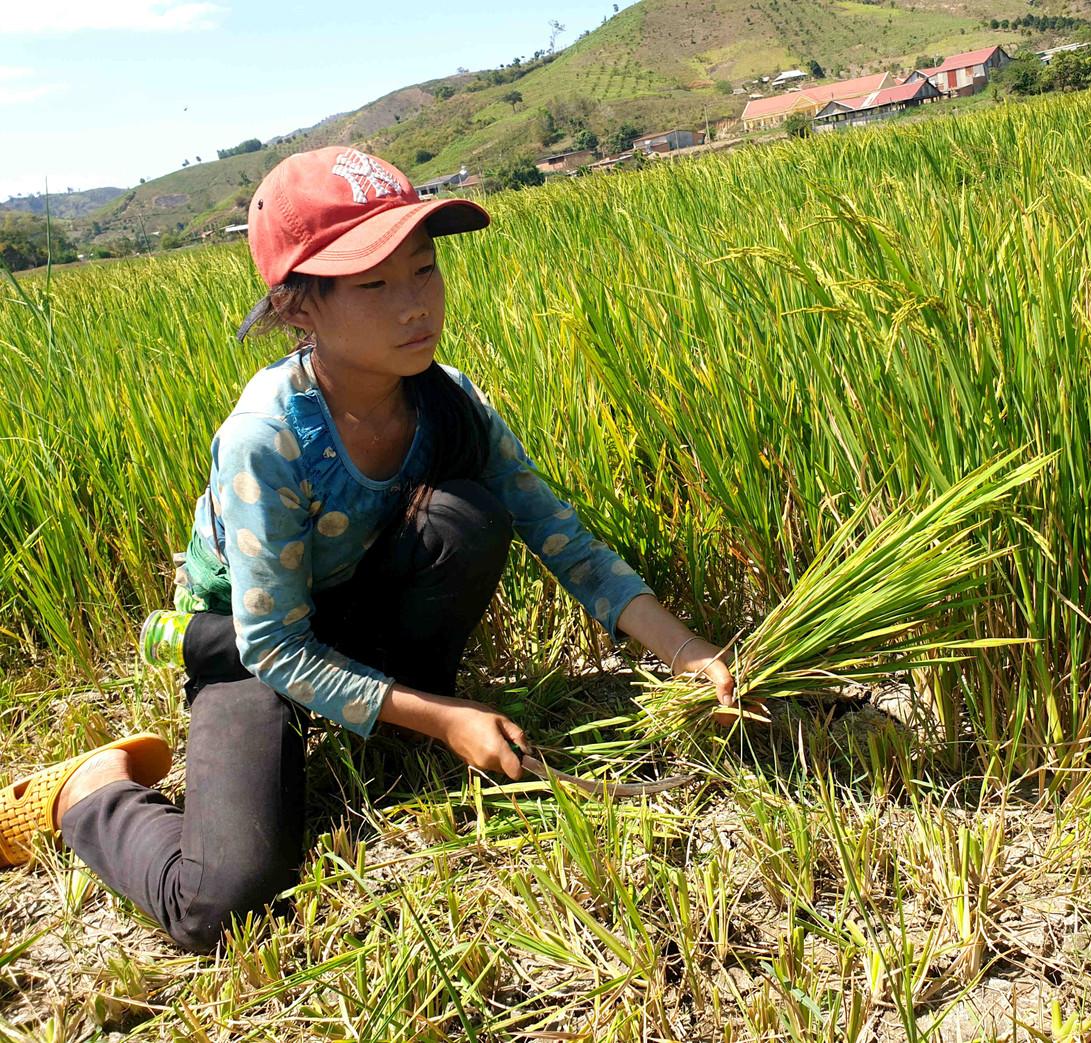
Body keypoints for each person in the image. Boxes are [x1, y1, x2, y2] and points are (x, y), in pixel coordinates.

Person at [0, 147, 736, 953]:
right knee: (224, 900)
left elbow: (561, 536)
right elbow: (275, 645)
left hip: (351, 605)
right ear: (298, 305)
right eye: (375, 285)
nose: (415, 305)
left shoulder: (448, 401)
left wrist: (689, 652)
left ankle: (400, 722)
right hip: (252, 641)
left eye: (423, 270)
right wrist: (448, 715)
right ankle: (90, 793)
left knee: (468, 516)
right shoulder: (269, 438)